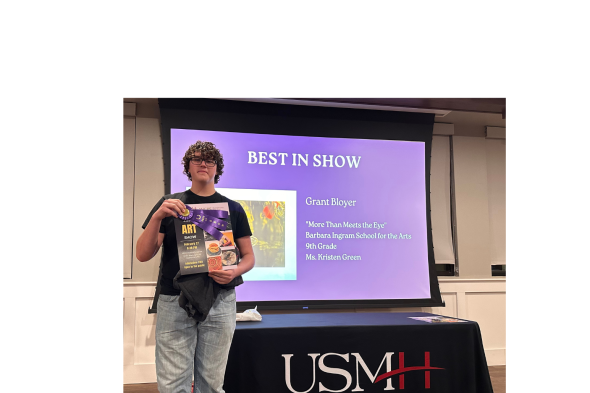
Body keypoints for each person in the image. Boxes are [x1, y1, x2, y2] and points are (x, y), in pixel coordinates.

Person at [136, 141, 255, 393]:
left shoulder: (233, 209)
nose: (203, 163)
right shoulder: (169, 204)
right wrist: (158, 215)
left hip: (220, 299)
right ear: (187, 166)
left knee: (212, 385)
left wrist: (235, 271)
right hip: (174, 299)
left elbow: (248, 258)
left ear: (217, 169)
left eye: (210, 160)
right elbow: (143, 255)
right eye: (197, 159)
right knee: (172, 385)